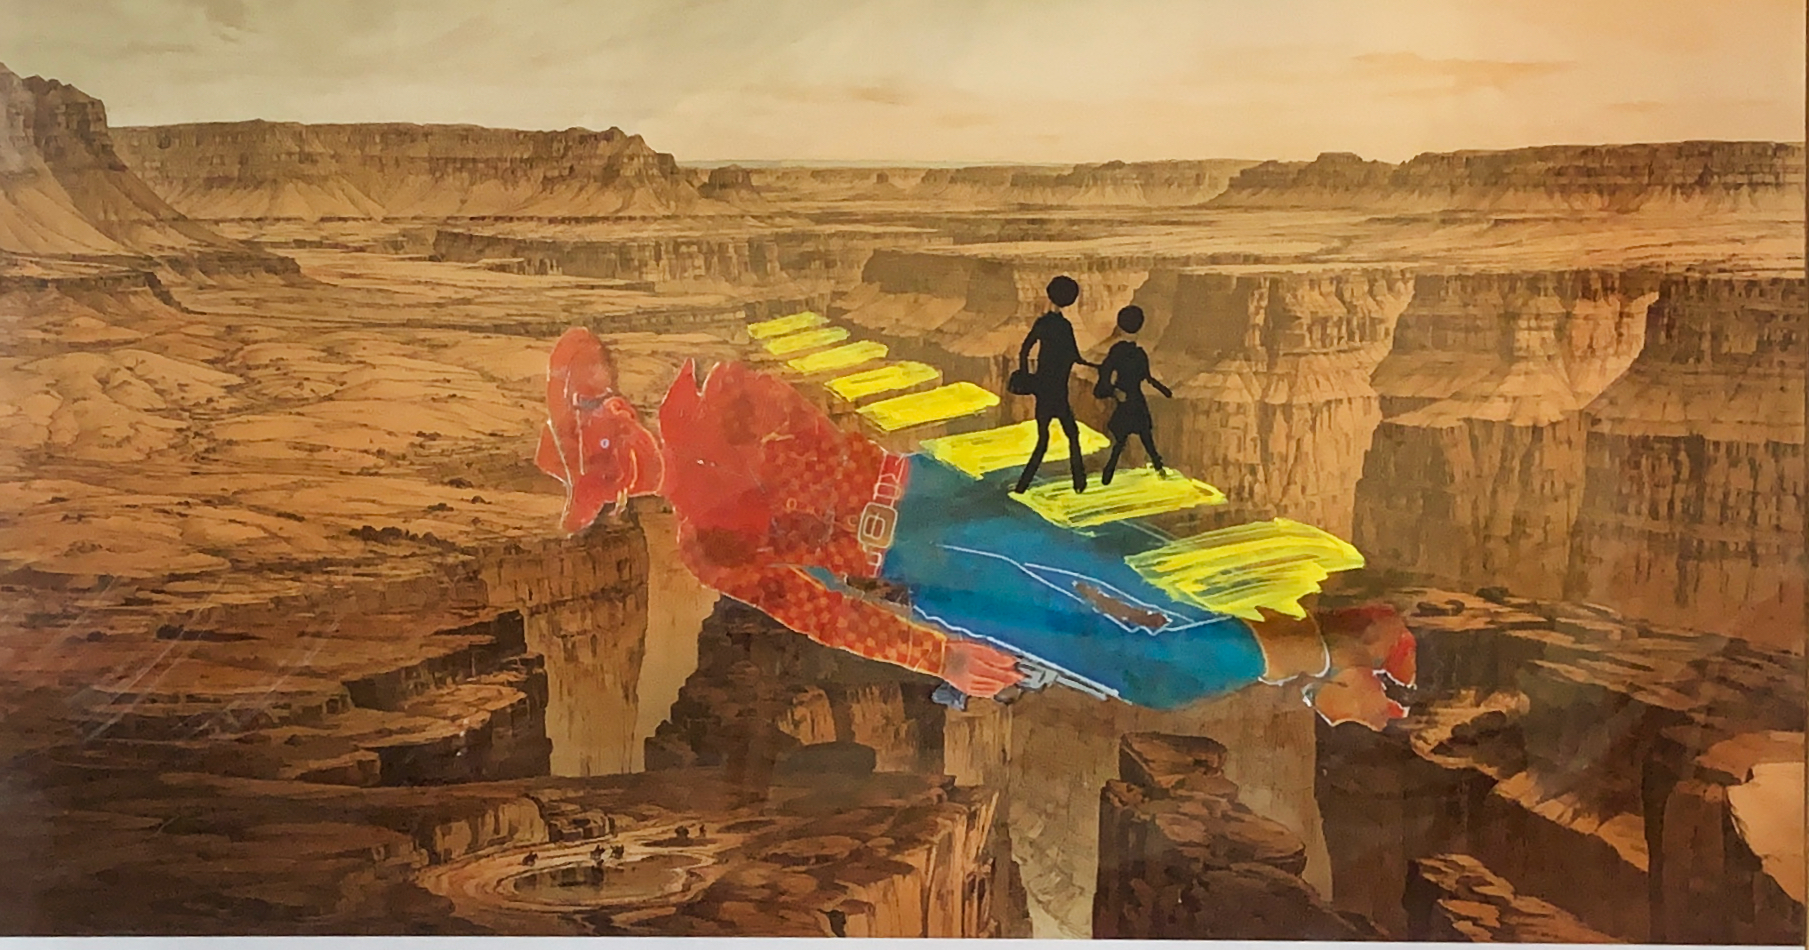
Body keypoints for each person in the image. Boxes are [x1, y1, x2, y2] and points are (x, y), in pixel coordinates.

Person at [533, 327, 1414, 728]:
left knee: (1148, 585)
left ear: (615, 409)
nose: (620, 474)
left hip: (930, 510)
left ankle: (1349, 645)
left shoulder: (716, 394)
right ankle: (1334, 655)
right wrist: (939, 657)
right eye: (603, 481)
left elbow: (820, 437)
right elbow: (822, 614)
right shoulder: (700, 543)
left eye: (604, 449)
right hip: (925, 580)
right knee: (1132, 665)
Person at [1012, 274, 1094, 495]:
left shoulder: (1043, 324)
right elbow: (1075, 356)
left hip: (1043, 389)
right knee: (1072, 435)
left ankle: (1022, 486)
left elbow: (1025, 349)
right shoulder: (1064, 326)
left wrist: (1026, 374)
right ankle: (1079, 482)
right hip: (1058, 390)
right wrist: (1095, 365)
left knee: (1043, 440)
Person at [1094, 305, 1171, 485]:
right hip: (1135, 400)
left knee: (1123, 440)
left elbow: (1106, 373)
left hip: (1127, 401)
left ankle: (1109, 472)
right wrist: (1163, 389)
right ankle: (1158, 468)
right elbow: (1148, 377)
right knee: (1144, 437)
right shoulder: (1138, 354)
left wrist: (1114, 391)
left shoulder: (1119, 352)